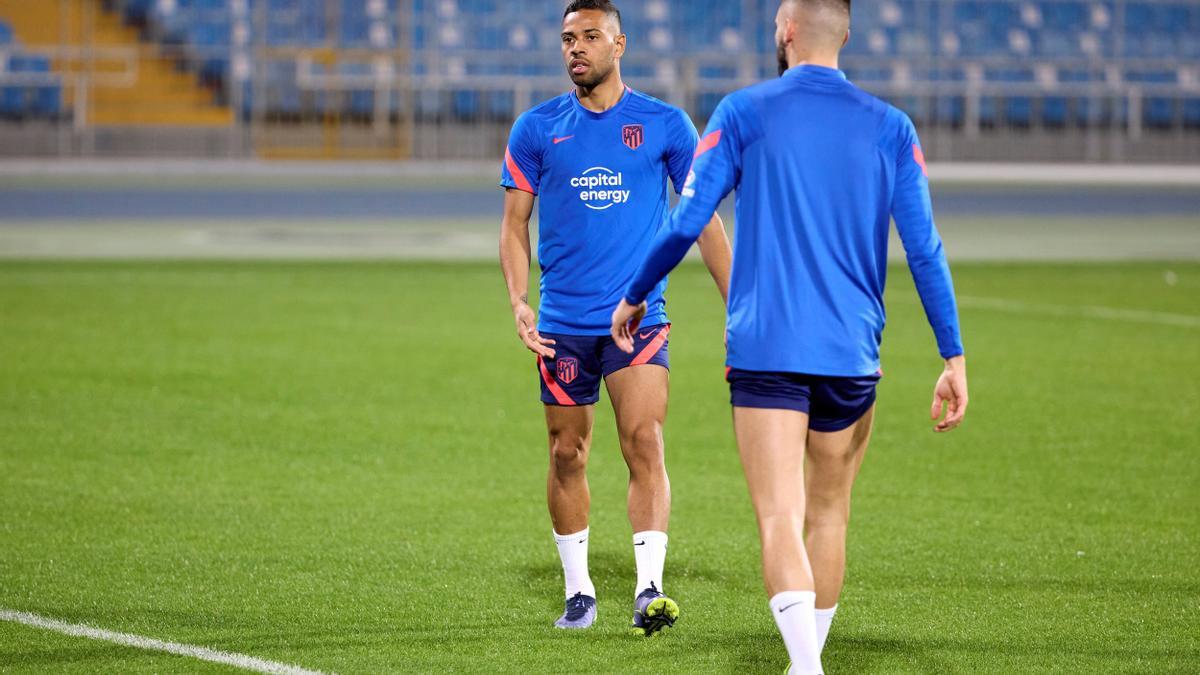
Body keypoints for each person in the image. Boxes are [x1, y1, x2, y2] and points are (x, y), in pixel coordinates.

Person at [610, 0, 969, 670]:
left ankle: (807, 666)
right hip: (851, 355)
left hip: (769, 347)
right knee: (828, 515)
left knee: (780, 515)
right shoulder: (891, 127)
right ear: (847, 34)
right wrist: (953, 353)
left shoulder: (744, 112)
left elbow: (687, 222)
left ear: (787, 31)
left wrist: (634, 294)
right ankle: (807, 660)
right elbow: (925, 249)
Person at [499, 0, 732, 635]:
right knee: (566, 452)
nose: (576, 48)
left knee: (644, 440)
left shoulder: (665, 125)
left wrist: (737, 303)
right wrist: (520, 302)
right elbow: (515, 226)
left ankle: (649, 588)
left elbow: (703, 218)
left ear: (620, 44)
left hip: (638, 319)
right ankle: (579, 594)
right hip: (561, 325)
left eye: (590, 36)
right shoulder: (536, 128)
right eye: (568, 38)